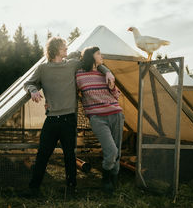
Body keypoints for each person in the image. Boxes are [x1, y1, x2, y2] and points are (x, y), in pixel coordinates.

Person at [23, 37, 114, 197]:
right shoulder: (42, 69)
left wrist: (108, 72)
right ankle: (33, 189)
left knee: (70, 156)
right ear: (56, 49)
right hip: (51, 119)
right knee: (42, 154)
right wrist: (33, 90)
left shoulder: (72, 64)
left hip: (69, 118)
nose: (66, 49)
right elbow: (28, 83)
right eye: (64, 47)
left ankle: (71, 189)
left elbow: (91, 62)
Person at [76, 46, 124, 194]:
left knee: (117, 150)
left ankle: (113, 180)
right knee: (111, 150)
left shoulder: (105, 73)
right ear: (91, 56)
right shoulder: (79, 75)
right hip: (97, 117)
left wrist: (112, 86)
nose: (101, 56)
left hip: (115, 114)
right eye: (99, 54)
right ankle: (105, 178)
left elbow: (116, 95)